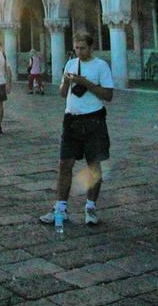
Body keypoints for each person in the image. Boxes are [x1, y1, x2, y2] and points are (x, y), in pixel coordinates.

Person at [40, 30, 114, 228]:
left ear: (91, 47)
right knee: (64, 164)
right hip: (71, 120)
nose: (78, 51)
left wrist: (85, 83)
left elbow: (108, 95)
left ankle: (90, 207)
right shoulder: (71, 64)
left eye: (82, 48)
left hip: (94, 121)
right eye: (76, 48)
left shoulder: (101, 66)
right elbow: (63, 94)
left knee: (94, 166)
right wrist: (65, 81)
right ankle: (60, 209)